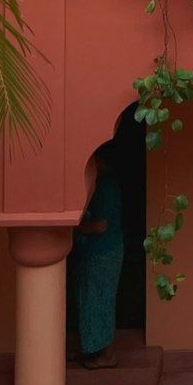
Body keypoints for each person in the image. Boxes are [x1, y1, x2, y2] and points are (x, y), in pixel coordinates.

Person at [68, 143, 125, 369]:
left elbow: (100, 225)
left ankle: (106, 354)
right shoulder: (99, 185)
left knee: (99, 301)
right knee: (90, 301)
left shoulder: (106, 187)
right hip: (96, 252)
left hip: (103, 253)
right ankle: (90, 350)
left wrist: (75, 226)